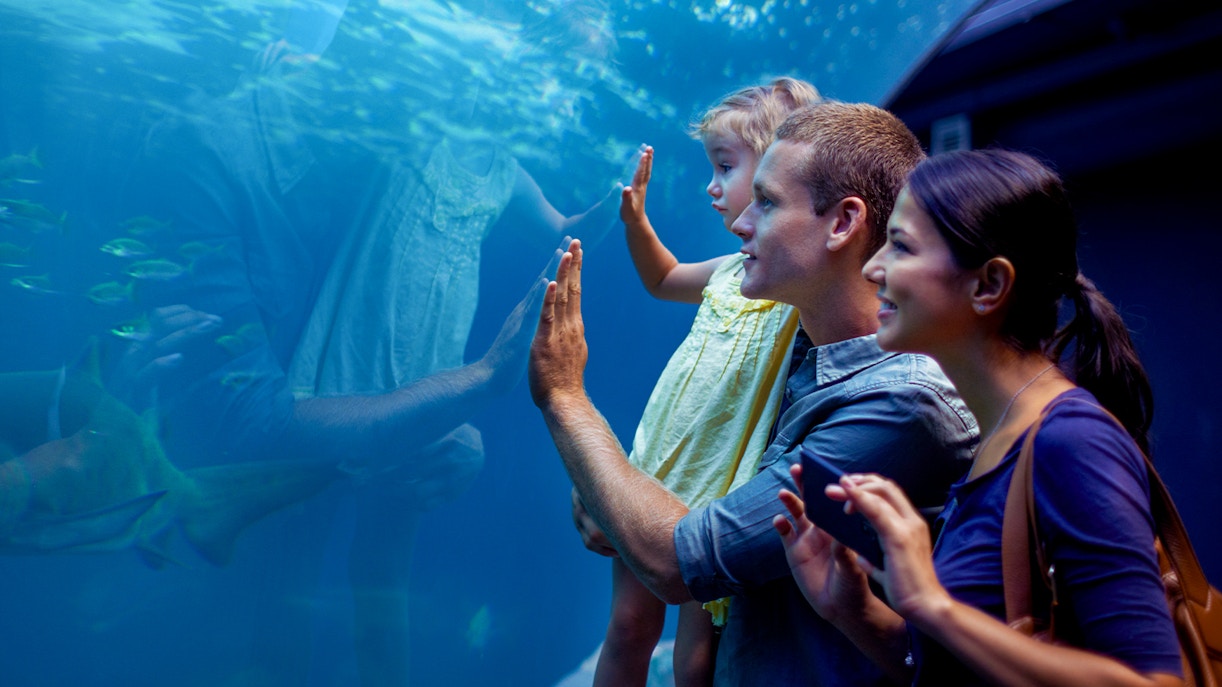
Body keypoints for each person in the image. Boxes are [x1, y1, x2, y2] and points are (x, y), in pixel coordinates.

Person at [530, 101, 978, 686]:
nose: (741, 221)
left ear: (842, 224)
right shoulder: (789, 362)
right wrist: (611, 493)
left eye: (766, 202)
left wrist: (565, 397)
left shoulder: (899, 404)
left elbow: (679, 561)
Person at [773, 148, 1183, 685]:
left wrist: (935, 605)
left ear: (988, 285)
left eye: (899, 246)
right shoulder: (997, 436)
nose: (873, 267)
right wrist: (853, 611)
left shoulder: (1072, 441)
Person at [593, 76, 819, 687]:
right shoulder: (726, 272)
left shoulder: (792, 283)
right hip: (655, 468)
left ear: (777, 165)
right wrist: (636, 221)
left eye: (725, 166)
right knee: (628, 629)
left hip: (721, 490)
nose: (712, 187)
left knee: (698, 651)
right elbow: (663, 279)